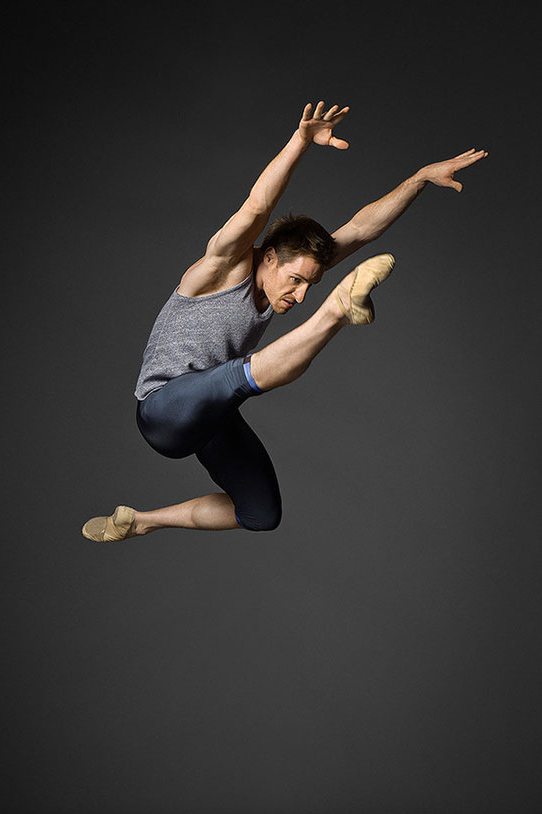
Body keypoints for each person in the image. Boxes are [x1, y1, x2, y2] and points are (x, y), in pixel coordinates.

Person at [82, 100, 487, 542]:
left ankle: (141, 522)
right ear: (269, 256)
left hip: (212, 417)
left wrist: (420, 178)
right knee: (238, 376)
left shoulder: (287, 277)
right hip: (163, 411)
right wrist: (300, 141)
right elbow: (257, 208)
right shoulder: (223, 267)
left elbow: (361, 229)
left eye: (311, 286)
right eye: (296, 281)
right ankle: (337, 311)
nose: (299, 295)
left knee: (260, 513)